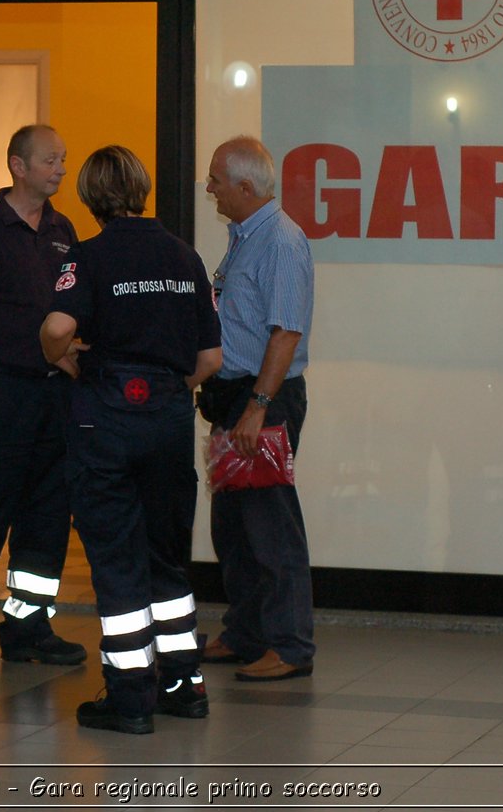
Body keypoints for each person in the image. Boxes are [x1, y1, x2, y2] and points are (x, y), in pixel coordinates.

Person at [40, 145, 222, 734]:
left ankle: (130, 697)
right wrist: (167, 386)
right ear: (142, 190)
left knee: (117, 560)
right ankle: (184, 684)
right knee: (166, 557)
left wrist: (62, 357)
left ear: (91, 198)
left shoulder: (84, 258)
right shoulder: (185, 257)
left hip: (108, 417)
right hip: (168, 415)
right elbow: (211, 358)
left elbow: (59, 326)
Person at [0, 125, 86, 673]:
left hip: (55, 396)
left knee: (49, 514)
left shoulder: (63, 229)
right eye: (51, 159)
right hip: (2, 392)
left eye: (64, 159)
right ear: (17, 166)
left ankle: (29, 626)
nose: (60, 168)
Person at [198, 136, 316, 682]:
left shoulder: (281, 243)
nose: (209, 187)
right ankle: (245, 633)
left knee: (271, 526)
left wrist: (257, 408)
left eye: (217, 180)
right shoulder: (245, 236)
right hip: (236, 395)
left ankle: (289, 646)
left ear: (246, 188)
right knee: (234, 528)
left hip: (263, 398)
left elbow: (285, 331)